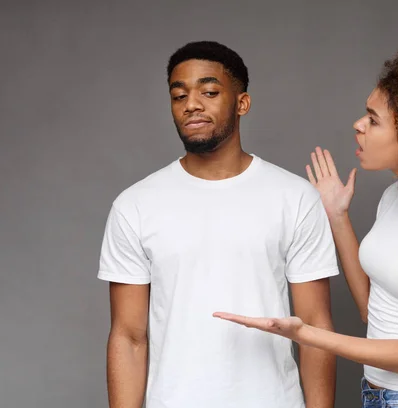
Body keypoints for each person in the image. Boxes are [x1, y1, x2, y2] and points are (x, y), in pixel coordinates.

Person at [214, 38, 398, 408]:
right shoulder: (397, 196)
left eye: (373, 119)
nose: (358, 124)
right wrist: (337, 215)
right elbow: (372, 310)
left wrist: (307, 334)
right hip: (377, 393)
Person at [97, 41, 338, 408]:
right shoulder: (135, 205)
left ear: (242, 103)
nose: (191, 104)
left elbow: (314, 326)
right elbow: (129, 337)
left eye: (209, 92)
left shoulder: (295, 197)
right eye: (179, 96)